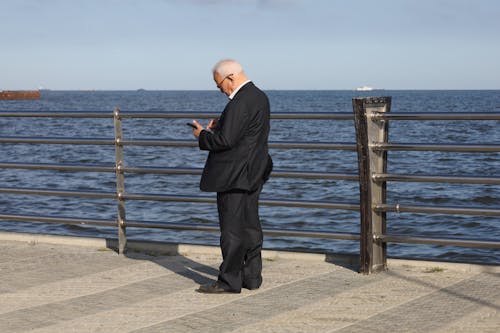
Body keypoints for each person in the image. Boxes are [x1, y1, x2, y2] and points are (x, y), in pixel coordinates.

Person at [190, 59, 273, 294]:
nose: (221, 90)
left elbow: (225, 141)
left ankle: (229, 281)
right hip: (254, 171)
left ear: (231, 77)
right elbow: (245, 133)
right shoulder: (259, 97)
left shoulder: (240, 101)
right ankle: (252, 277)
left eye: (220, 85)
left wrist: (202, 135)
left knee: (232, 229)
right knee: (250, 225)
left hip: (234, 174)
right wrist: (224, 124)